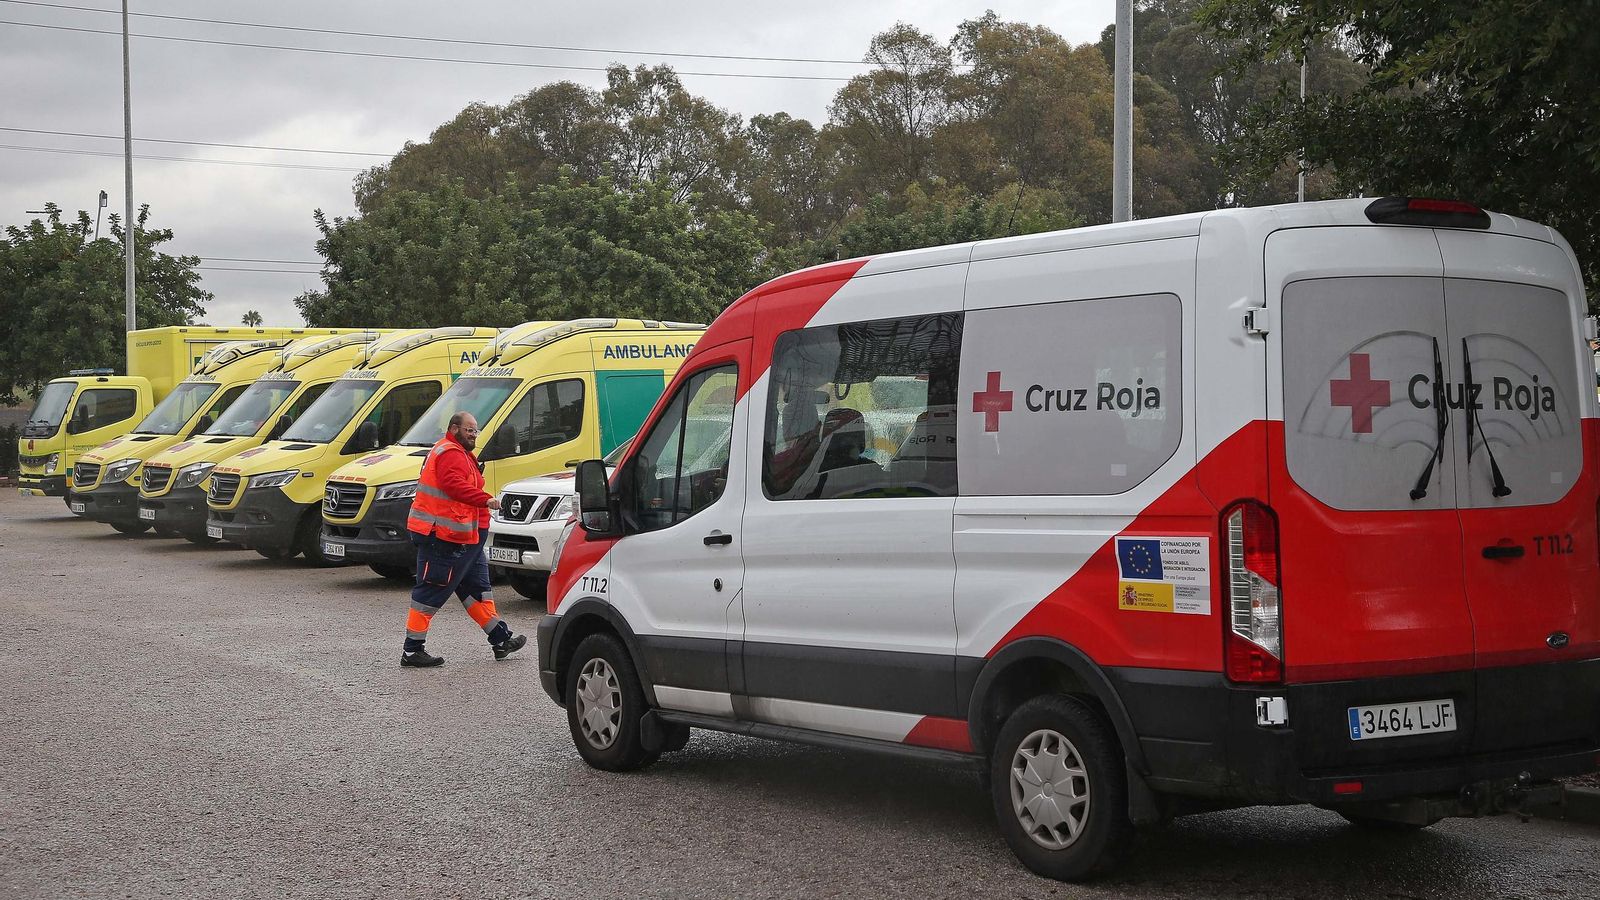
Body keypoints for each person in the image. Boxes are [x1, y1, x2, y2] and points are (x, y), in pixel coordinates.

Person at [399, 411, 527, 668]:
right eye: (469, 429)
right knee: (431, 590)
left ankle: (501, 639)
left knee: (477, 589)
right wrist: (485, 499)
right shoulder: (450, 453)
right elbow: (453, 485)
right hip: (444, 537)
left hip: (465, 536)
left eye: (476, 430)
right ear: (454, 428)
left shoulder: (458, 452)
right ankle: (412, 650)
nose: (474, 434)